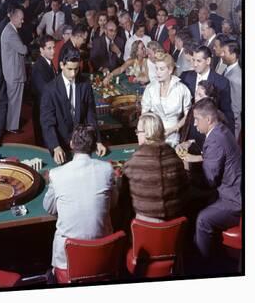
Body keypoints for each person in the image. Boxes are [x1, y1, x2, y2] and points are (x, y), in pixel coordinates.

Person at [43, 125, 119, 272]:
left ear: (71, 144)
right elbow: (113, 203)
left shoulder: (56, 174)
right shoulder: (107, 169)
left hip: (67, 263)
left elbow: (49, 208)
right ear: (93, 146)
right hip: (103, 256)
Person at [191, 98, 241, 268]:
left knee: (202, 219)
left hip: (233, 201)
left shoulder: (214, 139)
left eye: (197, 119)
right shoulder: (223, 129)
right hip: (231, 190)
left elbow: (209, 180)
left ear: (209, 119)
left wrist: (187, 172)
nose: (195, 125)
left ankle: (203, 268)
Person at [40, 48, 106, 164]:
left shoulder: (85, 84)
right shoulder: (49, 89)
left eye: (76, 69)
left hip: (82, 144)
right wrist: (55, 146)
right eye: (69, 69)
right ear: (61, 65)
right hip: (61, 143)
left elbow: (91, 115)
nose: (73, 74)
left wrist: (98, 141)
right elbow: (47, 122)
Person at [124, 113, 188, 222]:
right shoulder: (174, 157)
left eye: (138, 132)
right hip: (176, 220)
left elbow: (124, 197)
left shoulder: (134, 163)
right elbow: (184, 188)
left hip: (145, 223)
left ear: (147, 133)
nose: (137, 134)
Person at [141, 52, 192, 147]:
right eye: (156, 69)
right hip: (153, 134)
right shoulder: (150, 88)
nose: (158, 72)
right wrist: (146, 132)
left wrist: (175, 128)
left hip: (173, 136)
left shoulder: (182, 89)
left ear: (170, 70)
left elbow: (188, 115)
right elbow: (144, 114)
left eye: (161, 69)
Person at [180, 46, 234, 133]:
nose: (195, 64)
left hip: (209, 130)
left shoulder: (221, 83)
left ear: (208, 61)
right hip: (188, 129)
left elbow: (227, 112)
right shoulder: (185, 77)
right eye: (193, 60)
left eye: (199, 61)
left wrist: (230, 139)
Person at [0, 6, 27, 132]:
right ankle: (12, 126)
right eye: (21, 19)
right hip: (14, 72)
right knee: (14, 101)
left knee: (13, 100)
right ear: (15, 18)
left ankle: (12, 124)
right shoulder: (10, 32)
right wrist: (26, 46)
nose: (22, 21)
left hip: (11, 71)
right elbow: (23, 50)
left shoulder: (9, 29)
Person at [31, 35, 57, 145]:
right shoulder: (38, 67)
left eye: (54, 47)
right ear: (41, 50)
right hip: (43, 111)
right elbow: (44, 93)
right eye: (49, 48)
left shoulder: (48, 63)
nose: (53, 51)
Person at [222, 40, 242, 140]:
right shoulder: (227, 69)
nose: (221, 55)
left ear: (233, 55)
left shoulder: (237, 77)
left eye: (224, 52)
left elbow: (236, 108)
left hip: (231, 124)